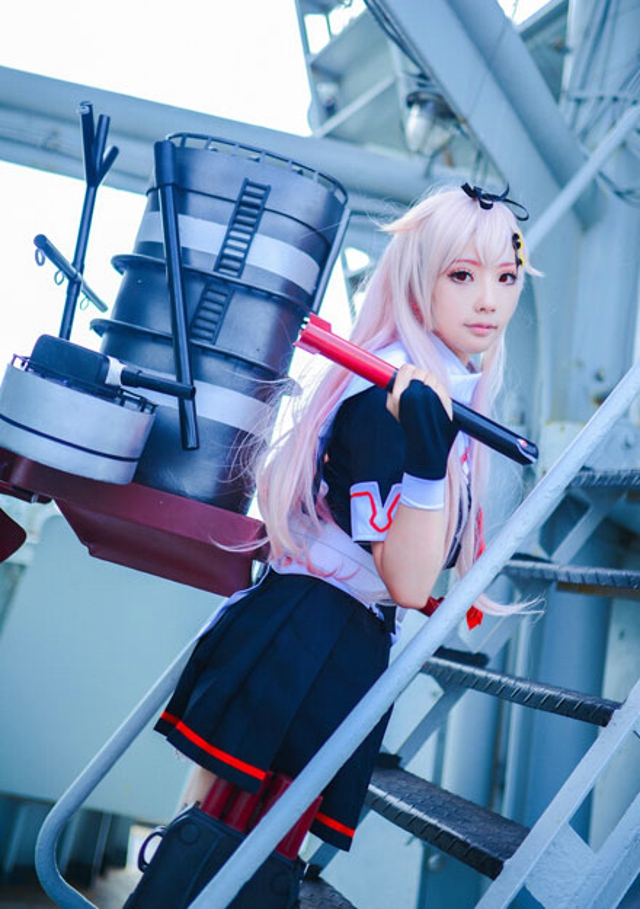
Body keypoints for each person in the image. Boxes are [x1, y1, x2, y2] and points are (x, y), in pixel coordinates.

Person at [128, 182, 533, 905]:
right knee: (220, 852)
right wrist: (427, 462)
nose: (489, 301)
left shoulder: (434, 386)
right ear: (418, 277)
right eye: (462, 275)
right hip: (307, 635)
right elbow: (409, 579)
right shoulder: (387, 401)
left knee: (246, 858)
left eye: (506, 278)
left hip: (335, 637)